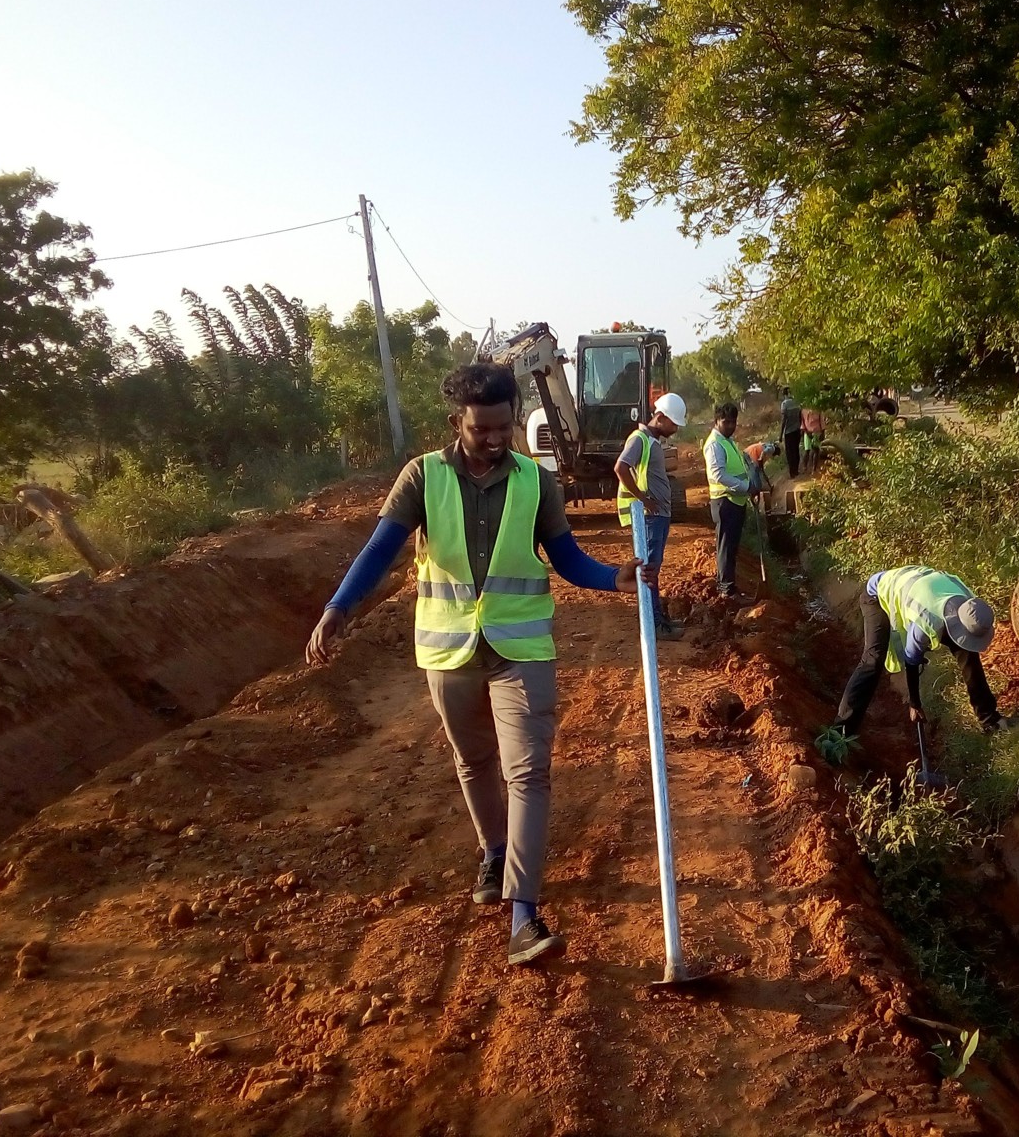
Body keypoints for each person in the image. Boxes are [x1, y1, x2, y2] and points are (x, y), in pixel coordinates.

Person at [306, 362, 648, 968]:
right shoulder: (423, 476)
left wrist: (611, 578)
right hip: (449, 650)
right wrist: (339, 607)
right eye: (479, 429)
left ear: (514, 418)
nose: (493, 439)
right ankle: (493, 851)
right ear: (455, 423)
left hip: (522, 650)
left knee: (529, 773)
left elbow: (566, 558)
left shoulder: (537, 481)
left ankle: (524, 915)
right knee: (474, 761)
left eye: (502, 427)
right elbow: (380, 549)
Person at [828, 565, 1008, 738]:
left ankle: (988, 718)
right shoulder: (926, 619)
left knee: (968, 655)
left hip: (917, 583)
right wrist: (915, 704)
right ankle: (841, 731)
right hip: (878, 593)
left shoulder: (970, 605)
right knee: (873, 659)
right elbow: (911, 660)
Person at [615, 392, 688, 640]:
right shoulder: (639, 439)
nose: (675, 429)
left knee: (652, 571)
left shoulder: (652, 441)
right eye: (674, 423)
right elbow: (620, 468)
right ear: (661, 417)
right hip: (649, 517)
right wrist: (643, 499)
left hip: (658, 516)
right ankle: (654, 625)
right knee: (649, 572)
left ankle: (658, 619)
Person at [702, 402, 752, 602]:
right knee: (726, 547)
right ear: (717, 421)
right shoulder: (715, 444)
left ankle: (729, 586)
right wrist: (745, 487)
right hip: (725, 502)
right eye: (726, 422)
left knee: (731, 547)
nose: (731, 426)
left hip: (735, 501)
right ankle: (726, 590)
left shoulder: (728, 441)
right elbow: (718, 475)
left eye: (733, 422)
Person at [742, 439, 782, 511]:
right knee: (755, 472)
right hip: (751, 453)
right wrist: (760, 459)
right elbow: (764, 451)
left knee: (755, 472)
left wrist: (761, 465)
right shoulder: (772, 449)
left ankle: (754, 490)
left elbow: (761, 468)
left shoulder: (768, 446)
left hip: (748, 453)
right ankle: (756, 491)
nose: (774, 457)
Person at [779, 387, 802, 481]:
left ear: (784, 394)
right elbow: (800, 416)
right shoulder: (796, 402)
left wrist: (780, 434)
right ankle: (796, 470)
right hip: (797, 430)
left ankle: (792, 473)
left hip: (788, 432)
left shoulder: (784, 404)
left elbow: (784, 420)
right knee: (796, 450)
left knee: (790, 452)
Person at [800, 406, 826, 475]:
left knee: (816, 450)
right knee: (807, 450)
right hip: (807, 432)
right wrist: (805, 432)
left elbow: (822, 421)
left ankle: (814, 469)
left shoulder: (818, 410)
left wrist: (823, 433)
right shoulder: (804, 410)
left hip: (816, 432)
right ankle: (805, 468)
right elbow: (803, 423)